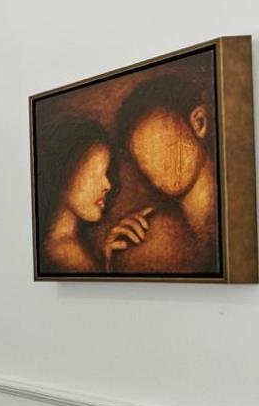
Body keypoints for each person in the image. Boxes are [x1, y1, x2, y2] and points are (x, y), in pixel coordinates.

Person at [110, 74, 219, 273]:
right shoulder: (148, 237)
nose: (156, 164)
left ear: (199, 123)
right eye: (143, 155)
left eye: (163, 144)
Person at [38, 119, 151, 273]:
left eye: (106, 173)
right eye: (93, 174)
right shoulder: (65, 253)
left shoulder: (59, 245)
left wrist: (107, 261)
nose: (107, 185)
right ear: (65, 174)